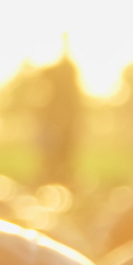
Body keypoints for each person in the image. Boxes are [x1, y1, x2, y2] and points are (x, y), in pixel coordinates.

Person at [36, 40, 83, 188]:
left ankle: (62, 180)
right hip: (58, 122)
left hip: (66, 122)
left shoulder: (67, 79)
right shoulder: (55, 91)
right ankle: (52, 179)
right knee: (52, 155)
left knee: (63, 156)